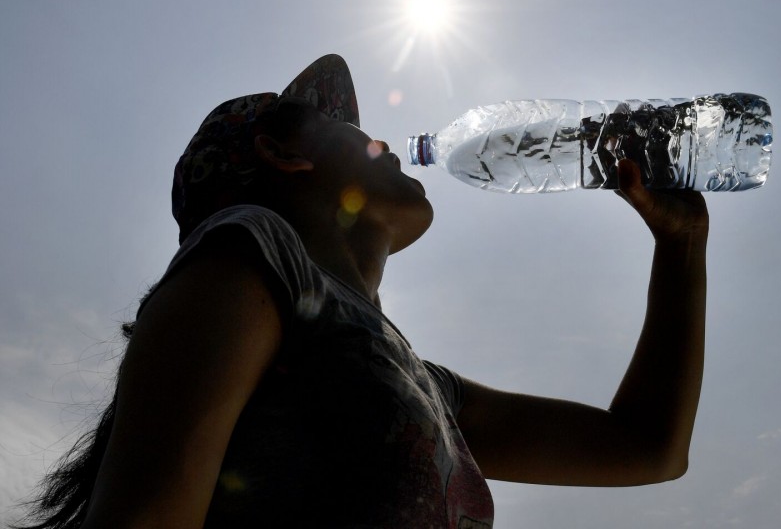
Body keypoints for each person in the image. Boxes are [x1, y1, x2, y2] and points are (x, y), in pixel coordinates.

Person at [19, 54, 708, 528]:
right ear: (285, 155)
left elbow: (647, 449)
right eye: (354, 132)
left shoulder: (420, 383)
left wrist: (680, 245)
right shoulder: (251, 253)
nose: (383, 142)